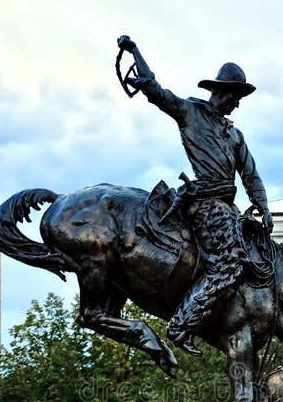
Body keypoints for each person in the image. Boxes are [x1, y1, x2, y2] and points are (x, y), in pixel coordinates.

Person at [117, 35, 273, 356]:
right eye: (235, 96)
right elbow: (155, 91)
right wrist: (135, 51)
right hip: (204, 205)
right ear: (220, 92)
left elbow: (250, 174)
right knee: (229, 265)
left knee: (260, 260)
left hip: (228, 208)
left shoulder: (234, 134)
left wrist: (264, 207)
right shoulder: (191, 113)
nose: (238, 103)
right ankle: (183, 323)